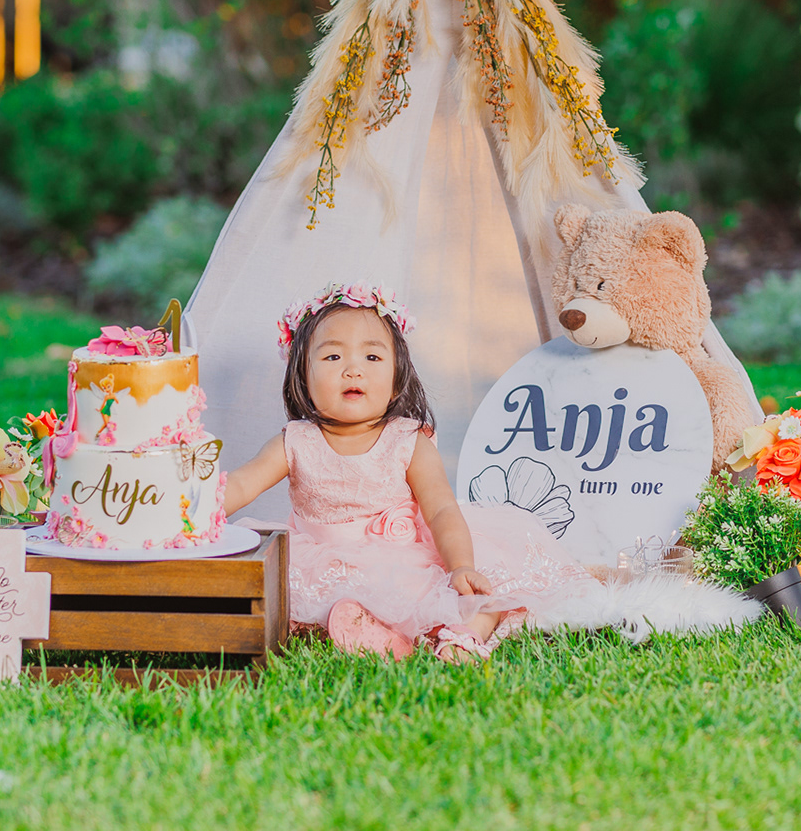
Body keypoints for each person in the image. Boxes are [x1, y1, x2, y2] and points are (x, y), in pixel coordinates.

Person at [225, 282, 594, 662]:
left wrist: (461, 565)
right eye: (333, 357)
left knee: (484, 591)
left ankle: (464, 637)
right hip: (326, 563)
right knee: (284, 594)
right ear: (302, 375)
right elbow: (242, 483)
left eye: (372, 357)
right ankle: (380, 636)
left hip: (406, 560)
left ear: (397, 377)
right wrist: (198, 511)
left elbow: (441, 509)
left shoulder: (407, 439)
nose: (353, 370)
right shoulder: (295, 441)